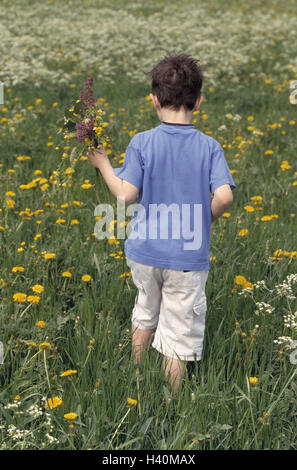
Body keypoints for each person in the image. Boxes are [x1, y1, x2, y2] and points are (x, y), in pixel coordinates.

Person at [87, 53, 236, 394]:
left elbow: (124, 196)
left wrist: (103, 164)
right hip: (185, 259)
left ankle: (136, 379)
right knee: (178, 332)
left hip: (144, 252)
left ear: (153, 99)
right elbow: (225, 197)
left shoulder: (142, 141)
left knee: (145, 309)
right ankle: (172, 404)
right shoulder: (210, 147)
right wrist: (205, 217)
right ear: (198, 101)